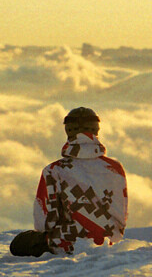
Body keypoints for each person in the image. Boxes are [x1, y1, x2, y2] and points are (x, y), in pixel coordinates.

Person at [10, 107, 128, 257]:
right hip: (108, 243)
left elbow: (44, 220)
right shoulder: (115, 168)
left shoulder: (54, 170)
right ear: (96, 130)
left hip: (68, 244)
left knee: (19, 244)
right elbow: (121, 213)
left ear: (68, 131)